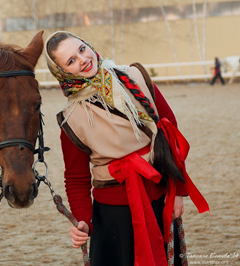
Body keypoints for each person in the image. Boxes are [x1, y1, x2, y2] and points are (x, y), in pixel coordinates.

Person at [45, 31, 209, 266]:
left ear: (88, 45)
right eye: (70, 61)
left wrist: (177, 191)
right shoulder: (71, 119)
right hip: (114, 216)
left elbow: (169, 131)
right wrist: (83, 221)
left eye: (81, 49)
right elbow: (76, 178)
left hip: (160, 198)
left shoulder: (135, 76)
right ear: (61, 73)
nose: (82, 59)